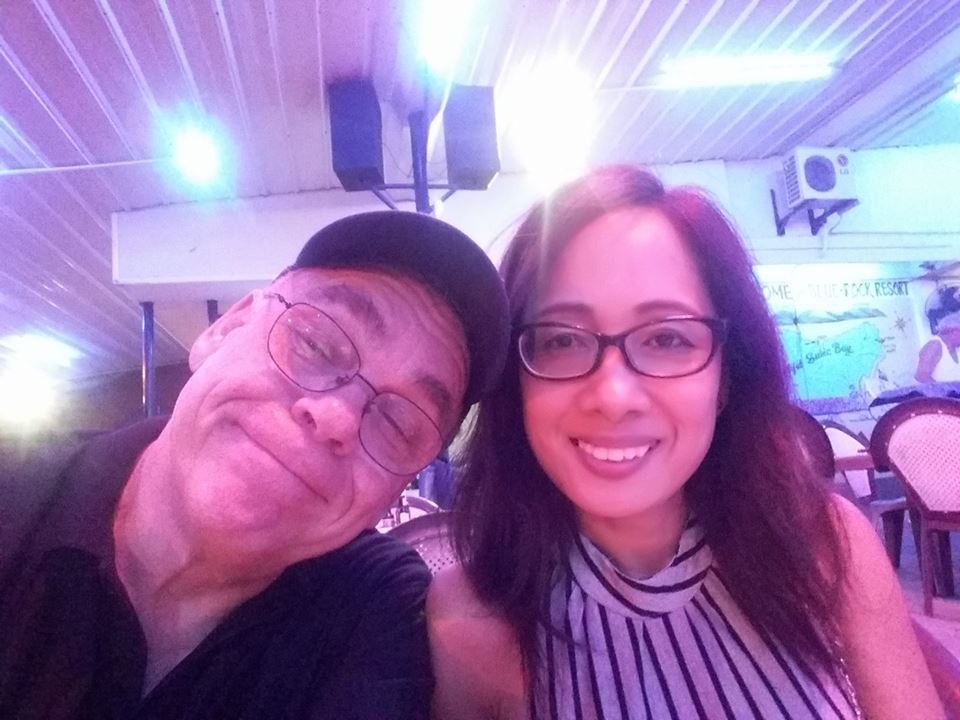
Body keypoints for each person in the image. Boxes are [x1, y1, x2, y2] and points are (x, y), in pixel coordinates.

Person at [427, 166, 943, 720]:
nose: (614, 396)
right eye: (560, 341)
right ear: (515, 380)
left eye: (667, 338)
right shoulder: (469, 620)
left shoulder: (827, 548)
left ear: (726, 378)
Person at [0, 210, 510, 720]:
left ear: (397, 489)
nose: (337, 417)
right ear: (226, 328)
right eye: (315, 344)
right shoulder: (16, 493)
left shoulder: (374, 605)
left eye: (399, 424)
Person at [915, 285, 960, 383]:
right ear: (952, 331)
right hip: (942, 393)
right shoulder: (934, 346)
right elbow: (921, 377)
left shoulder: (956, 348)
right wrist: (945, 390)